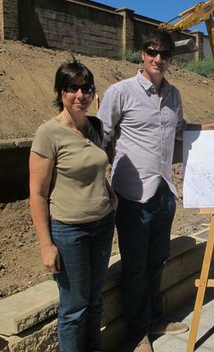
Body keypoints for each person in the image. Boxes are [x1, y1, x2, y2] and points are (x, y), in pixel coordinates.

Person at [97, 29, 214, 352]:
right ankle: (138, 332)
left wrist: (213, 127)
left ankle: (156, 319)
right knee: (136, 267)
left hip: (163, 193)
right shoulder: (120, 92)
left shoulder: (173, 95)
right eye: (152, 52)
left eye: (165, 55)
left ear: (171, 60)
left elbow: (181, 130)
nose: (158, 59)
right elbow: (99, 138)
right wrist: (102, 183)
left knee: (157, 261)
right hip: (131, 195)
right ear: (142, 54)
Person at [29, 60, 117, 352]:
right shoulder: (48, 134)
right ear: (60, 92)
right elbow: (38, 194)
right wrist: (46, 246)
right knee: (74, 307)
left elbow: (94, 166)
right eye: (72, 88)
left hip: (102, 225)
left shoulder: (95, 126)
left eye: (86, 88)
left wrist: (108, 190)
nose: (80, 95)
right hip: (69, 231)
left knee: (94, 300)